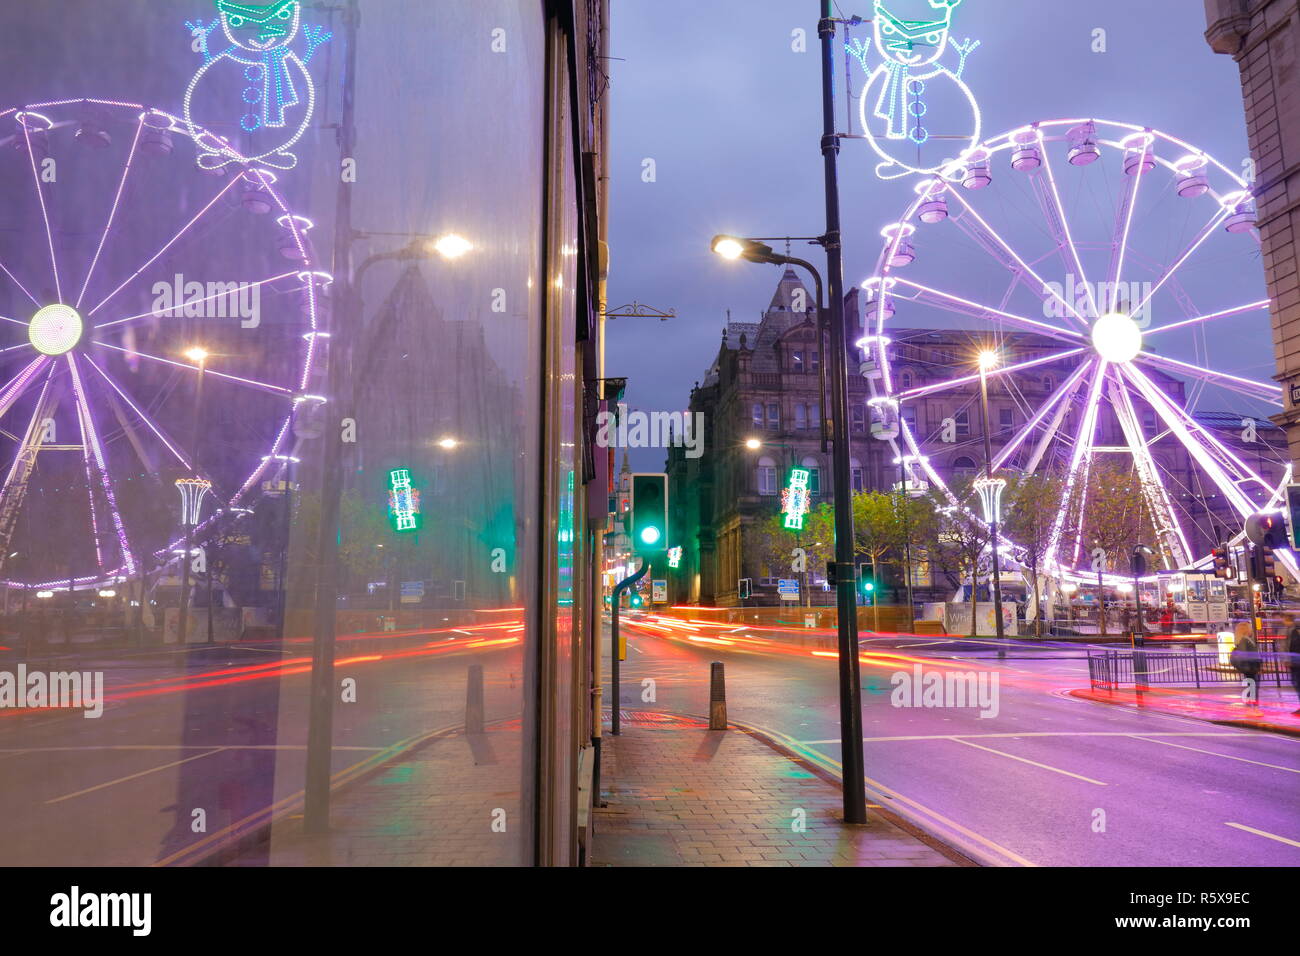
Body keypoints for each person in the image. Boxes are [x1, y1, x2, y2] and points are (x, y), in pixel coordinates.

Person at [1230, 621, 1261, 708]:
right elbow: (1245, 655)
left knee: (1252, 687)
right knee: (1252, 687)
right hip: (1250, 668)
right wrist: (1253, 664)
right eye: (1250, 628)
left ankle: (1251, 705)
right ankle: (1252, 706)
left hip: (1251, 667)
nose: (1252, 630)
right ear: (1246, 629)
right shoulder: (1244, 640)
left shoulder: (1246, 639)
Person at [1286, 614, 1300, 716]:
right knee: (1296, 683)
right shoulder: (1293, 632)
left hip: (1297, 664)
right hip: (1295, 664)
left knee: (1297, 683)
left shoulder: (1295, 632)